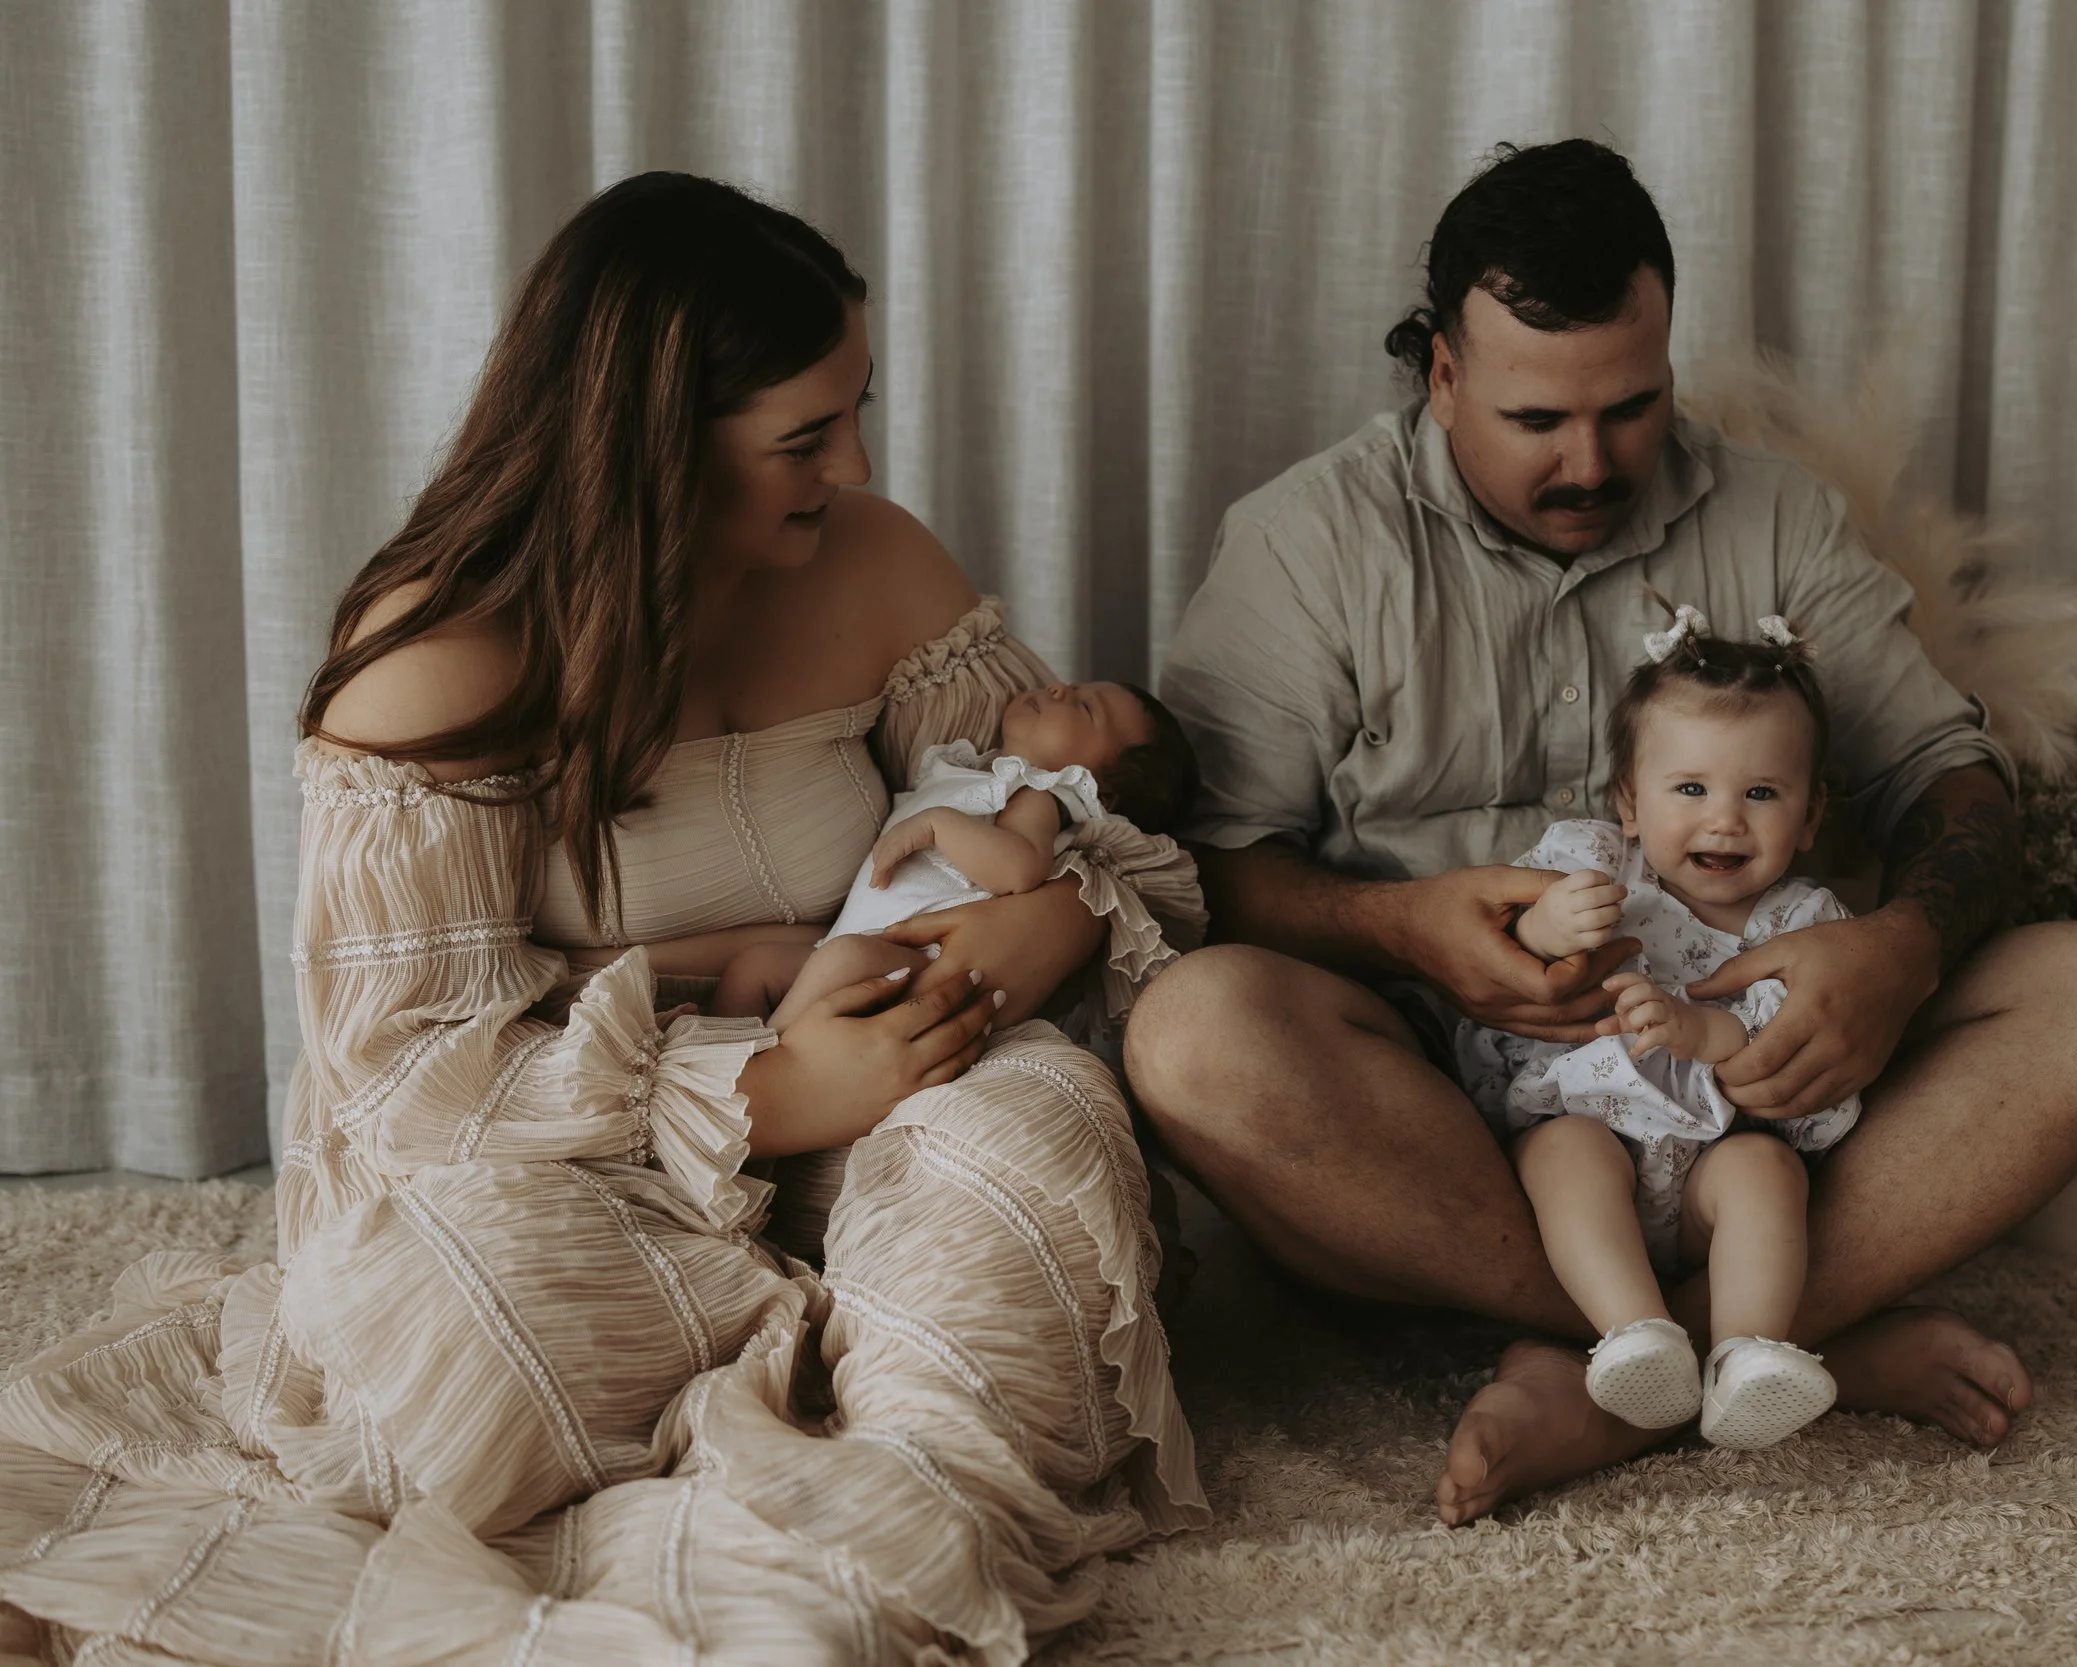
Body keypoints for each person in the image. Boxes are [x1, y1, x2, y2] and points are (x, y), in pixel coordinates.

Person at [0, 173, 1203, 1663]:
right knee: (455, 1337)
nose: (856, 461)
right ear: (651, 449)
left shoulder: (880, 565)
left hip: (904, 1074)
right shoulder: (438, 657)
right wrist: (761, 1090)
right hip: (568, 1155)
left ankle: (899, 1513)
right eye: (804, 438)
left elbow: (1082, 817)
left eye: (853, 413)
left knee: (1040, 1138)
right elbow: (407, 1071)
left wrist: (1033, 943)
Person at [1127, 139, 2077, 1526]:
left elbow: (1953, 776)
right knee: (1190, 1033)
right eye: (1533, 419)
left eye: (1631, 407)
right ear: (1442, 373)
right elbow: (1200, 868)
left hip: (1757, 1101)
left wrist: (1902, 950)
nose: (1589, 462)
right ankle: (1789, 1342)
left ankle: (1629, 1373)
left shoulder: (1776, 517)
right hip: (1453, 1117)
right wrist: (1405, 931)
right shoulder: (1305, 544)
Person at [1456, 605, 1857, 1448]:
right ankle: (1639, 1335)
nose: (1724, 819)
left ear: (1811, 813)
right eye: (1690, 789)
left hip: (1714, 1161)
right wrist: (1547, 927)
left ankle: (1746, 1355)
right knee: (1562, 1151)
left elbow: (1800, 1070)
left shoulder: (1807, 925)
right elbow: (1501, 962)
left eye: (1761, 792)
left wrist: (1702, 1032)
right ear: (1628, 802)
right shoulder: (1594, 864)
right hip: (1593, 1132)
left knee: (1767, 1171)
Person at [697, 679, 1200, 1029]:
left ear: (1099, 792)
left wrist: (937, 825)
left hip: (911, 966)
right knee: (753, 967)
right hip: (852, 945)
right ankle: (710, 1061)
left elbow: (1021, 868)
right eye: (1072, 685)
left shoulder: (1038, 796)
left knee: (839, 960)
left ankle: (766, 1059)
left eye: (1086, 708)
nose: (1057, 688)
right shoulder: (975, 771)